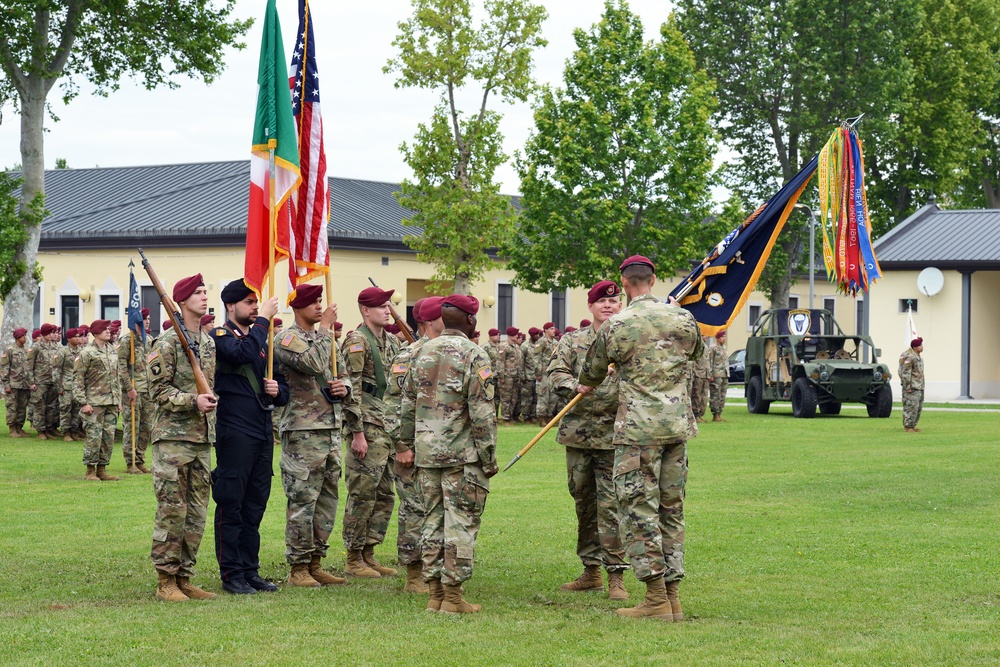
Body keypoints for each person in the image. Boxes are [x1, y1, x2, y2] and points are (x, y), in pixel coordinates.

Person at [580, 255, 703, 621]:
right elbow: (696, 352)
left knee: (638, 511)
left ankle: (655, 598)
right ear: (653, 278)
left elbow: (592, 373)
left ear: (624, 281)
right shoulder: (682, 318)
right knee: (671, 509)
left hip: (638, 430)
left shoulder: (618, 324)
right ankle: (673, 597)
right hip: (676, 428)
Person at [399, 294, 497, 613]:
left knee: (432, 522)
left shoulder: (419, 351)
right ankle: (453, 598)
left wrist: (405, 444)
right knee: (460, 523)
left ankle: (434, 596)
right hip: (462, 456)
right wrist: (488, 455)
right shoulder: (475, 354)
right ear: (470, 321)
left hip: (427, 455)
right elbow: (482, 413)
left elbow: (406, 406)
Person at [547, 280, 629, 600]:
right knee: (584, 504)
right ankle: (591, 570)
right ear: (590, 306)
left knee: (612, 505)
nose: (608, 306)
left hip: (614, 436)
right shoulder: (572, 341)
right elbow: (556, 373)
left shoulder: (627, 341)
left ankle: (616, 577)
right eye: (601, 302)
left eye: (614, 301)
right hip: (579, 435)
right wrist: (576, 386)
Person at [274, 283, 357, 587]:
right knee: (302, 499)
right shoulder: (287, 338)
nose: (320, 307)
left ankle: (316, 561)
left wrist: (343, 387)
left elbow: (341, 371)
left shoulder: (325, 339)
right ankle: (298, 567)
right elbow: (312, 363)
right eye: (313, 302)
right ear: (298, 308)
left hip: (330, 428)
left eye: (321, 301)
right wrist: (325, 329)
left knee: (327, 499)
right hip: (302, 430)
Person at [212, 280, 289, 594]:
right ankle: (231, 573)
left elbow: (282, 386)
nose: (256, 307)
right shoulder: (220, 336)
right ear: (231, 306)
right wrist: (264, 321)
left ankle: (250, 570)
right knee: (232, 503)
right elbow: (240, 355)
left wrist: (277, 391)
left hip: (261, 429)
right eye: (248, 302)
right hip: (235, 429)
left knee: (254, 505)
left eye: (256, 302)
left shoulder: (260, 340)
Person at [146, 274, 218, 602]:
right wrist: (193, 401)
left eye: (206, 292)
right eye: (198, 293)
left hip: (201, 439)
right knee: (172, 510)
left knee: (197, 511)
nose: (204, 297)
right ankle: (165, 581)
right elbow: (158, 391)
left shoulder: (208, 341)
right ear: (182, 301)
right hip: (173, 440)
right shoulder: (166, 343)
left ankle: (185, 577)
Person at [383, 296, 445, 593]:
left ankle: (441, 569)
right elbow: (392, 405)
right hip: (414, 447)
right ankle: (414, 573)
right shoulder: (408, 356)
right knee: (414, 510)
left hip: (446, 447)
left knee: (443, 510)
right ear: (429, 322)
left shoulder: (452, 352)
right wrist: (400, 445)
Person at [341, 286, 401, 577]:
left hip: (387, 424)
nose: (388, 310)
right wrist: (357, 433)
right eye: (382, 306)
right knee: (362, 492)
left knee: (384, 493)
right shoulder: (357, 341)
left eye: (388, 305)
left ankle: (369, 551)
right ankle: (353, 557)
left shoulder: (390, 341)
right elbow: (349, 390)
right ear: (366, 311)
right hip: (367, 425)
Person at [74, 319, 123, 481]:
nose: (109, 331)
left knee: (108, 438)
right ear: (95, 333)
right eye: (105, 329)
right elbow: (78, 379)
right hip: (94, 402)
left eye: (109, 329)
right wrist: (83, 402)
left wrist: (119, 400)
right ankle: (90, 470)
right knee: (94, 437)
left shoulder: (112, 350)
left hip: (111, 401)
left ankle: (102, 469)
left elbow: (117, 377)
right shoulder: (86, 353)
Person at [119, 310, 154, 473]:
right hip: (134, 390)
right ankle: (130, 461)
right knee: (132, 426)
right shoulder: (127, 340)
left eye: (148, 319)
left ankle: (140, 459)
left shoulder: (149, 340)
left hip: (148, 390)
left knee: (145, 427)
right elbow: (121, 367)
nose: (147, 322)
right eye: (143, 319)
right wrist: (129, 388)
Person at [28, 323, 60, 438]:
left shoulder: (55, 346)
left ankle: (50, 428)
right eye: (50, 333)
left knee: (51, 406)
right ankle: (40, 430)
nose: (52, 335)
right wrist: (31, 382)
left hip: (52, 380)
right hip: (40, 380)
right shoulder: (36, 347)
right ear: (44, 333)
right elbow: (29, 365)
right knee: (39, 405)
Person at [1, 327, 32, 437]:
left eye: (25, 335)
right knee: (12, 407)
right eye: (23, 336)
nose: (25, 337)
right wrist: (6, 384)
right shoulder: (9, 350)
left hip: (24, 384)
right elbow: (4, 368)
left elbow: (28, 368)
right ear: (18, 337)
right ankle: (12, 429)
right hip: (13, 384)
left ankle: (19, 428)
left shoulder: (26, 350)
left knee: (22, 407)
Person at [58, 328, 85, 442]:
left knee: (77, 410)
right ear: (68, 338)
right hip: (66, 385)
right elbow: (57, 370)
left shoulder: (81, 351)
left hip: (77, 385)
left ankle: (74, 431)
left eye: (78, 336)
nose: (77, 338)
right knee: (66, 409)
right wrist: (59, 386)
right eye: (75, 336)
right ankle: (66, 432)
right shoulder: (62, 351)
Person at [533, 322, 558, 425]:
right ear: (546, 330)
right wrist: (538, 372)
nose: (554, 330)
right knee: (543, 395)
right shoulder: (541, 342)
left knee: (553, 396)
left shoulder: (556, 343)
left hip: (553, 373)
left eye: (554, 328)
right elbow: (536, 357)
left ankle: (549, 416)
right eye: (551, 328)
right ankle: (541, 417)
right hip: (543, 373)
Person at [899, 337, 925, 433]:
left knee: (918, 407)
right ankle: (908, 426)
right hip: (912, 387)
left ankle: (913, 425)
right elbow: (906, 372)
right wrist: (907, 386)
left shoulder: (919, 358)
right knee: (911, 406)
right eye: (919, 345)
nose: (922, 347)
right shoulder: (910, 357)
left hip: (919, 386)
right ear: (914, 347)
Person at [497, 327, 522, 423]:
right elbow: (500, 362)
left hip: (515, 376)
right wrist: (501, 376)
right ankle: (505, 418)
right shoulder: (504, 347)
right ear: (510, 335)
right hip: (507, 376)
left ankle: (510, 416)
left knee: (514, 397)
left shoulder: (516, 347)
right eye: (515, 334)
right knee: (506, 397)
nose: (517, 336)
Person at [708, 330, 729, 422]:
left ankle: (720, 414)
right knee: (715, 395)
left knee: (723, 395)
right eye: (722, 337)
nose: (724, 338)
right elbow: (710, 361)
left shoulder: (724, 348)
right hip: (716, 374)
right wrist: (710, 374)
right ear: (717, 338)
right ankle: (715, 414)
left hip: (724, 374)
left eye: (724, 337)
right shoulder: (713, 348)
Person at [691, 338, 710, 423]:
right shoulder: (696, 347)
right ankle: (696, 415)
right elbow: (693, 361)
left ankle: (701, 414)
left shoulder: (705, 347)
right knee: (696, 396)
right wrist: (694, 373)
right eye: (704, 335)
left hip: (705, 374)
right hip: (698, 374)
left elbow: (708, 361)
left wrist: (709, 373)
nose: (706, 337)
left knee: (704, 396)